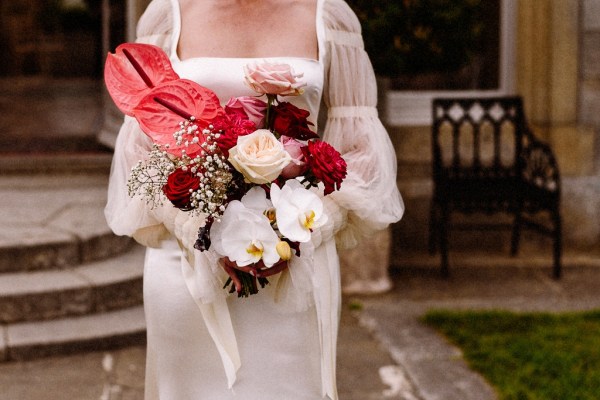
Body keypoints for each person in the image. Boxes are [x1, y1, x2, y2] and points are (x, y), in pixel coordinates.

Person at [105, 0, 404, 398]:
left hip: (295, 266)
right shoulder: (168, 13)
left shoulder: (329, 14)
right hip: (186, 262)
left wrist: (297, 232)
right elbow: (138, 149)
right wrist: (200, 230)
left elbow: (361, 149)